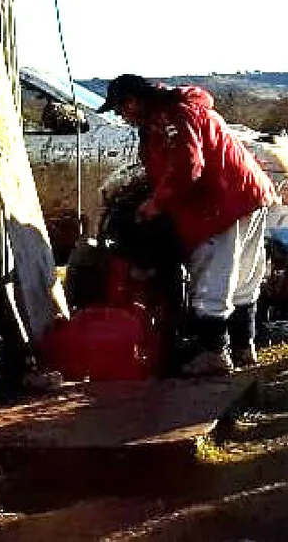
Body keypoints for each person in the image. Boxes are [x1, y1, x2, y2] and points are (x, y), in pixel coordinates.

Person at [98, 74, 276, 375]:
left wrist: (153, 205)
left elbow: (186, 166)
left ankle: (214, 351)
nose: (122, 117)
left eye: (120, 109)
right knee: (244, 275)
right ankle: (244, 346)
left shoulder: (172, 117)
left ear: (132, 101)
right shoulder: (181, 111)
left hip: (220, 203)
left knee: (213, 273)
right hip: (248, 193)